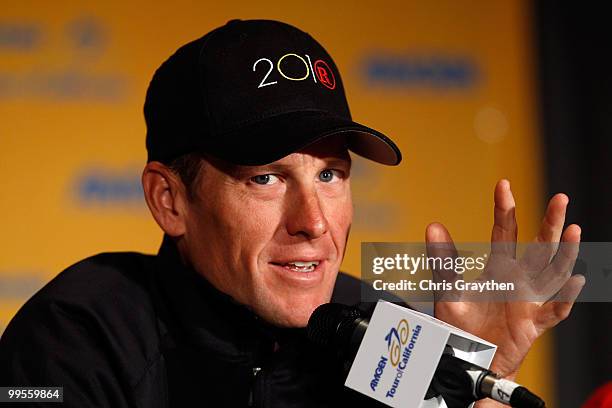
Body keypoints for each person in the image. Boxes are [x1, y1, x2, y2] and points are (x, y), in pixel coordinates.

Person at [0, 19, 584, 407]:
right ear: (170, 201)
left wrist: (469, 376)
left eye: (330, 175)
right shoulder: (77, 336)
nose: (313, 222)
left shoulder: (385, 332)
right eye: (266, 177)